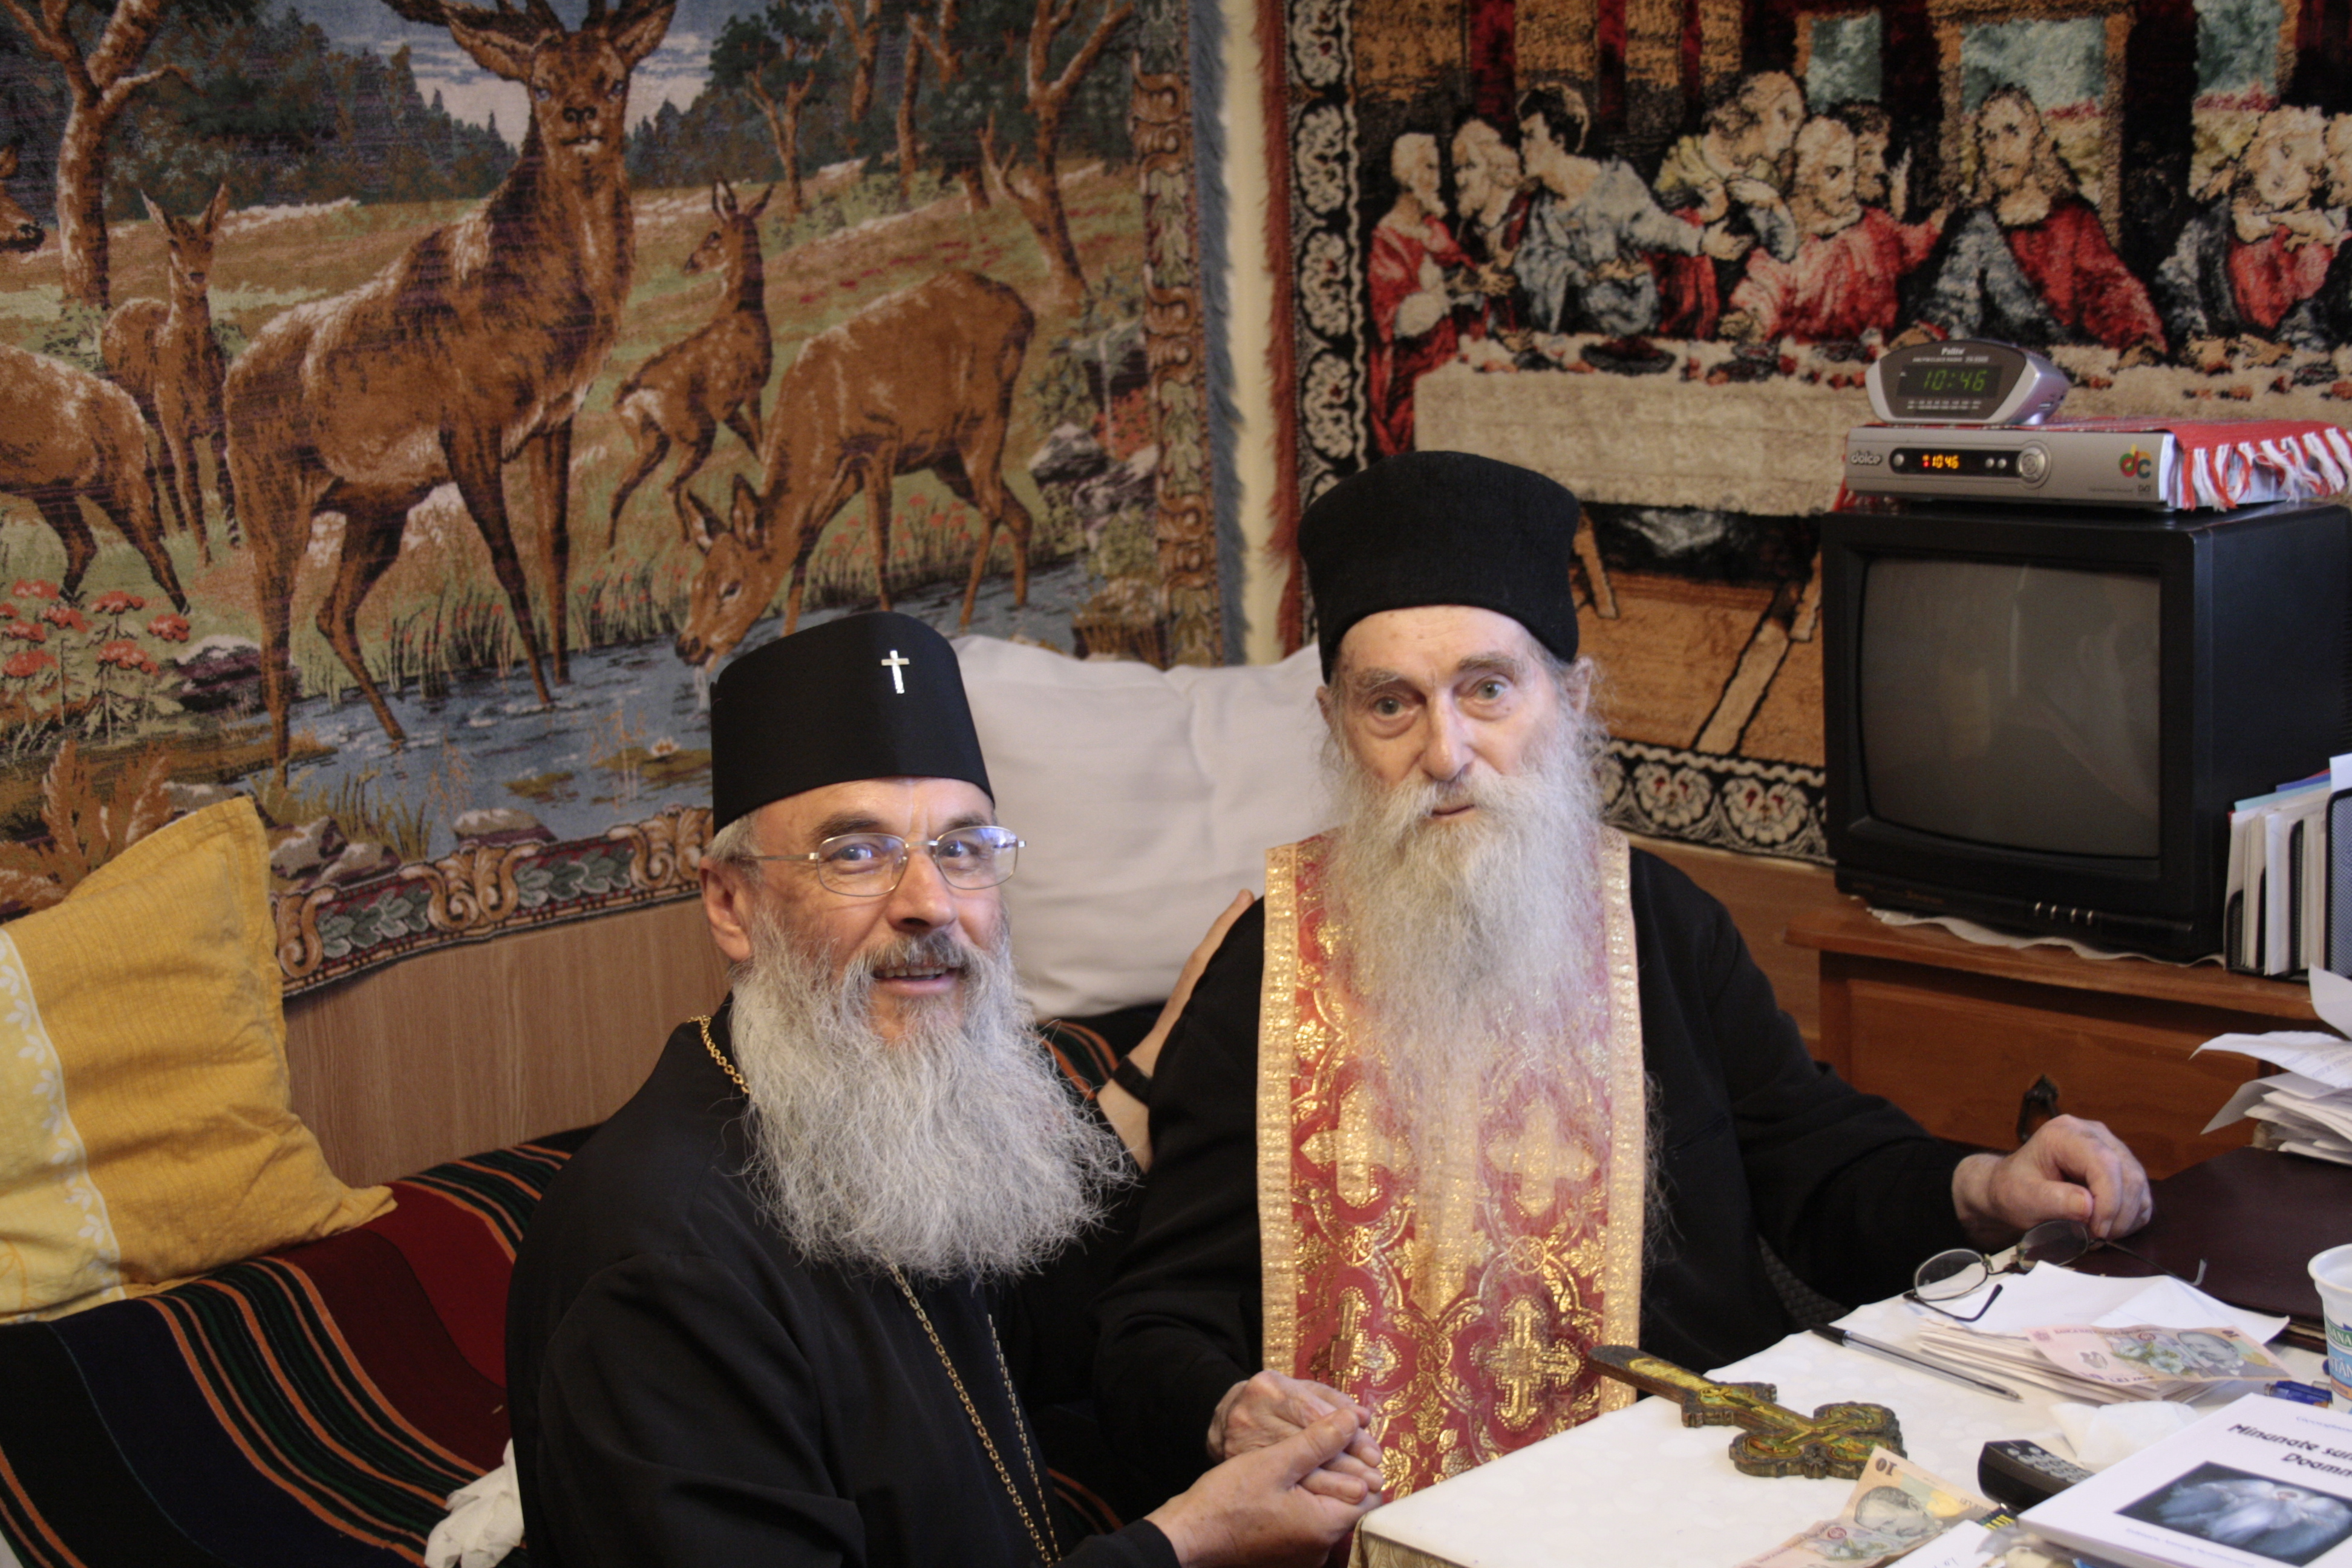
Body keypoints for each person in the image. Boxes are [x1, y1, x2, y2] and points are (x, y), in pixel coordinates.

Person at [1093, 452, 2152, 1502]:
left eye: (1487, 689)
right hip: (1361, 1522)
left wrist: (1986, 1188)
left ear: (1567, 697)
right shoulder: (1267, 967)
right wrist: (1226, 1407)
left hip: (1672, 1498)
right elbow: (1158, 1316)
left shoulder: (1659, 922)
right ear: (1336, 726)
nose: (1445, 752)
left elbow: (1815, 1165)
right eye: (1392, 706)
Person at [508, 611, 1380, 1567]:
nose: (929, 903)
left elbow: (1042, 1323)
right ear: (732, 903)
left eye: (962, 849)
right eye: (856, 852)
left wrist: (1222, 1407)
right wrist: (1186, 1543)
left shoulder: (882, 1114)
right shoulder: (663, 1270)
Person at [1907, 86, 2163, 355]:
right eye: (1989, 138)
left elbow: (2111, 291)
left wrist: (2138, 340)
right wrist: (1926, 335)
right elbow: (1953, 303)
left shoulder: (2074, 220)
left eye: (2012, 132)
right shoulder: (1974, 225)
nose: (2000, 150)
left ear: (2038, 141)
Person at [1511, 86, 1745, 361]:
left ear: (1559, 141)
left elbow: (1654, 226)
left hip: (1626, 322)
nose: (1522, 147)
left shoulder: (1612, 181)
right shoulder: (1542, 208)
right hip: (1571, 333)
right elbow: (1531, 262)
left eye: (1530, 136)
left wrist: (1702, 241)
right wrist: (1583, 275)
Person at [1724, 115, 1942, 344]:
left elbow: (1914, 244)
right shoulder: (1791, 241)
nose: (1848, 186)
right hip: (1805, 360)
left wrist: (1943, 219)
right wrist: (1750, 320)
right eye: (1834, 173)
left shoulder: (1876, 225)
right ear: (1803, 179)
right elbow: (1764, 290)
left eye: (1851, 171)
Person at [2155, 105, 2335, 371]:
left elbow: (2325, 328)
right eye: (2284, 152)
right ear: (2258, 150)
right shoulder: (2214, 222)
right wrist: (2200, 340)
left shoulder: (2313, 239)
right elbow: (2177, 289)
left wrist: (2285, 350)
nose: (2288, 172)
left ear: (2317, 183)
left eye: (2308, 168)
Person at [1652, 71, 1806, 339]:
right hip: (1680, 297)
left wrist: (1775, 205)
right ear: (1753, 109)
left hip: (1739, 305)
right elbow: (1654, 234)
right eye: (1785, 116)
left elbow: (1784, 252)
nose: (1792, 133)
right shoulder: (1686, 158)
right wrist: (1705, 217)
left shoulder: (1765, 176)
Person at [1368, 131, 1473, 455]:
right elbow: (1401, 320)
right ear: (1408, 174)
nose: (1437, 180)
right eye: (1429, 168)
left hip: (1452, 365)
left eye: (1438, 169)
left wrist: (1475, 283)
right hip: (1413, 379)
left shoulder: (1436, 231)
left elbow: (1463, 279)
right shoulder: (1387, 240)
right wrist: (1446, 293)